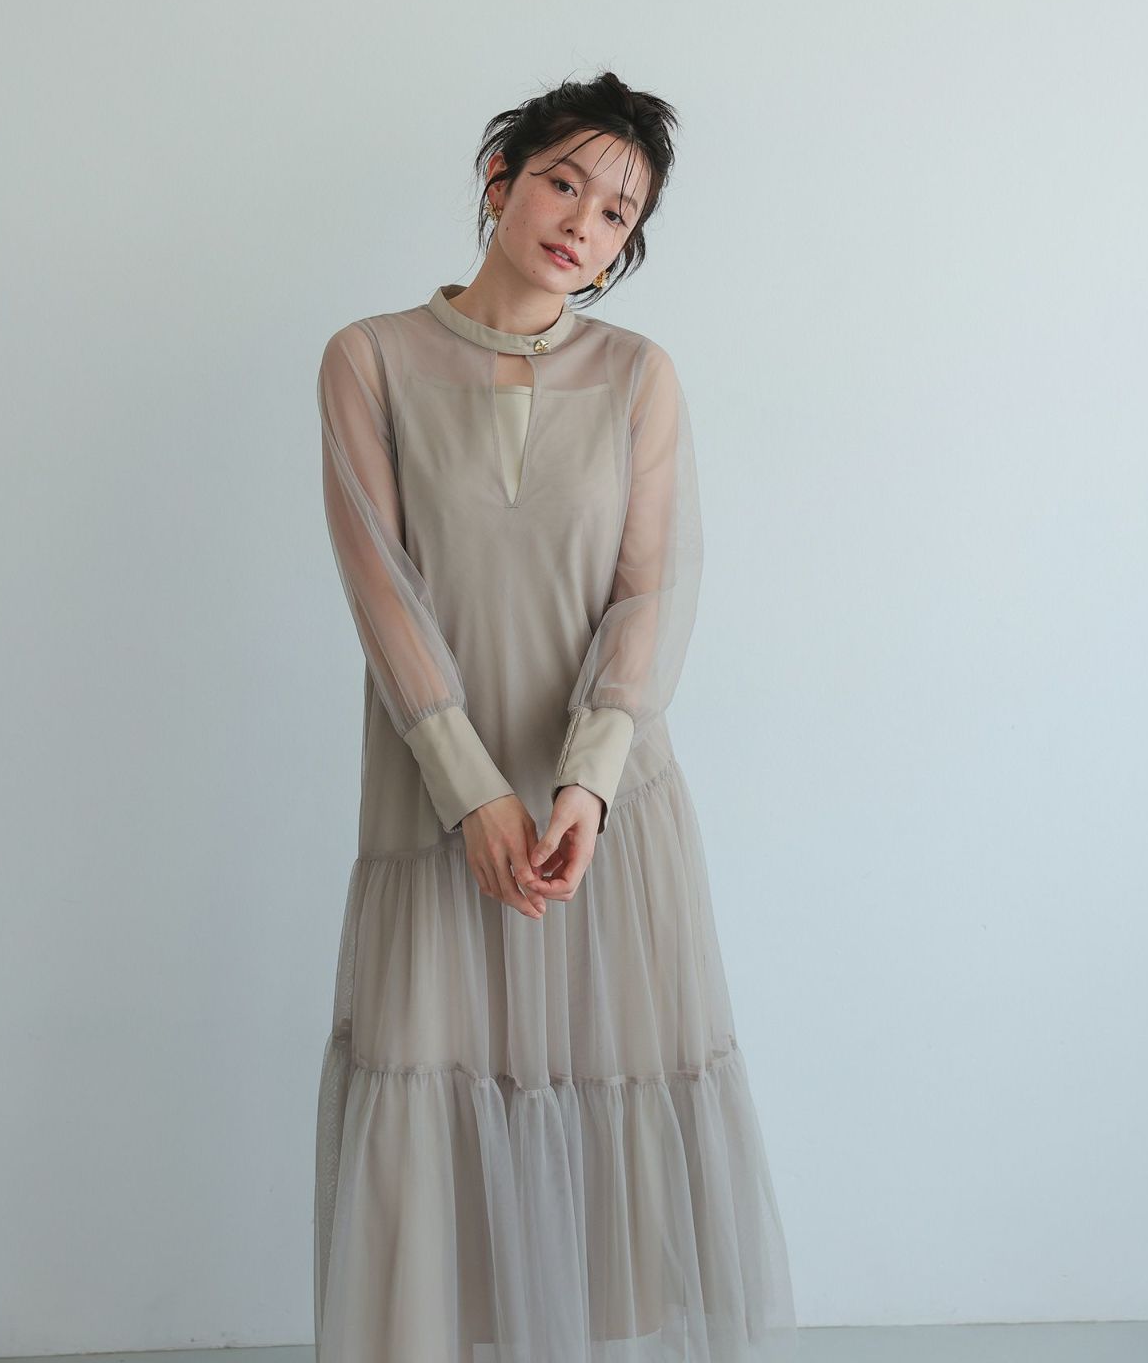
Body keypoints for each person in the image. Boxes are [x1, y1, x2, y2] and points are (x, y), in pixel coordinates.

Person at [313, 70, 798, 1360]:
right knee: (438, 1112)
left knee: (603, 1133)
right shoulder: (370, 359)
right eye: (564, 182)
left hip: (604, 819)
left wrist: (584, 783)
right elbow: (383, 592)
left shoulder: (639, 376)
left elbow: (649, 592)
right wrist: (472, 791)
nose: (585, 221)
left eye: (617, 210)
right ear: (500, 183)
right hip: (438, 808)